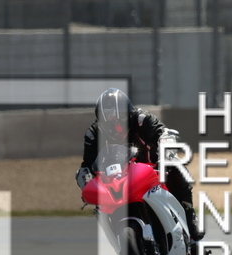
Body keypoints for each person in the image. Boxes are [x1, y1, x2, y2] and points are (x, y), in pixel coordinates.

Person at [75, 88, 204, 242]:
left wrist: (166, 148)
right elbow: (87, 166)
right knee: (100, 207)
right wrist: (86, 182)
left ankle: (189, 214)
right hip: (119, 178)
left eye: (120, 117)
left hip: (153, 170)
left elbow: (163, 133)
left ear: (129, 112)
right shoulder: (93, 134)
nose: (116, 125)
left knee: (176, 165)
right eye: (109, 118)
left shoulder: (142, 119)